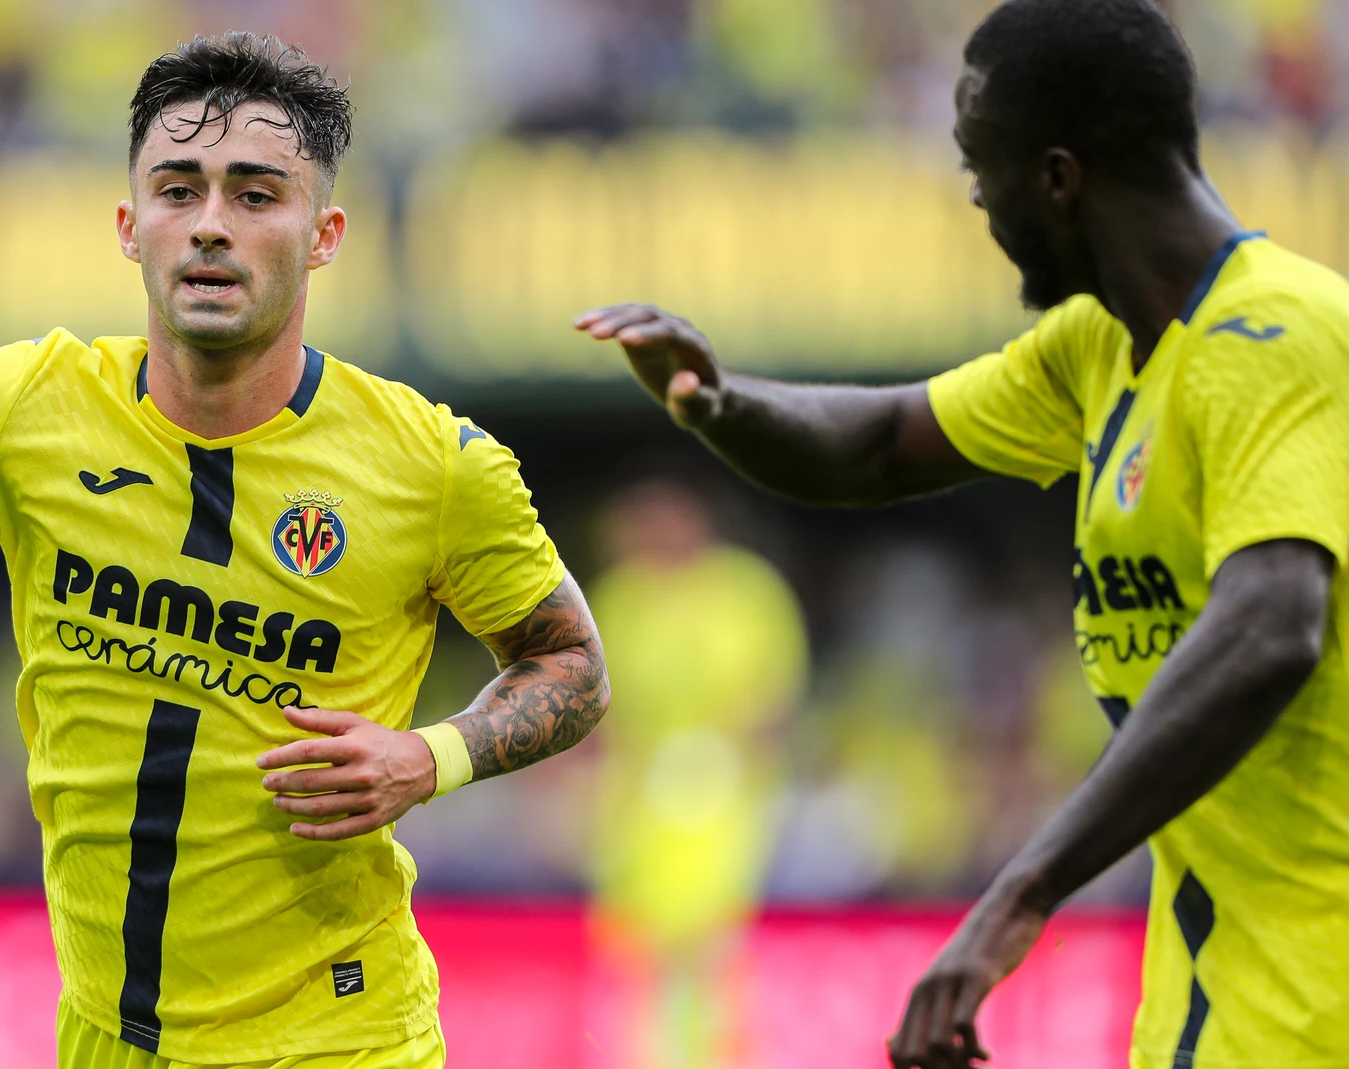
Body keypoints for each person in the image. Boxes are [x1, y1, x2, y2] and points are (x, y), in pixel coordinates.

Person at [0, 34, 609, 1069]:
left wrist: (428, 757)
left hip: (335, 1038)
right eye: (179, 189)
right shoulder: (31, 406)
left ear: (325, 233)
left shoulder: (433, 464)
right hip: (103, 1037)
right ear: (130, 226)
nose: (210, 225)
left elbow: (571, 662)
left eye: (257, 196)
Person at [575, 0, 1349, 1066]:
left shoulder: (1281, 335)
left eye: (979, 166)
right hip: (1214, 988)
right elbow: (881, 442)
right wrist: (712, 400)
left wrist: (1015, 898)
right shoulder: (1096, 350)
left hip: (1325, 987)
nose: (975, 200)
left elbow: (1271, 624)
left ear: (1059, 177)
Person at [586, 477, 806, 1067]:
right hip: (640, 805)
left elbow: (773, 695)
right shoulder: (618, 597)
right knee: (640, 947)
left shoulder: (745, 590)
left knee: (718, 944)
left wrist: (723, 755)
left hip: (729, 797)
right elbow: (592, 700)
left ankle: (721, 1056)